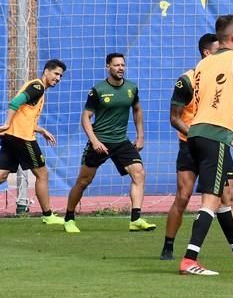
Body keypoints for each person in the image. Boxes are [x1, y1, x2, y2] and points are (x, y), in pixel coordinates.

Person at [160, 33, 233, 260]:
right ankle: (171, 246)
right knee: (185, 196)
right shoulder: (188, 79)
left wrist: (228, 132)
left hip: (215, 139)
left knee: (226, 194)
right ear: (207, 53)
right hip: (191, 144)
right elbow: (174, 118)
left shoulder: (217, 76)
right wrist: (198, 133)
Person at [63, 53, 156, 233]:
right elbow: (86, 117)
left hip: (121, 141)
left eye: (123, 65)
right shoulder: (97, 90)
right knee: (83, 181)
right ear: (108, 67)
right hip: (100, 141)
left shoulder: (131, 88)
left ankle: (135, 219)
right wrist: (94, 140)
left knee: (139, 173)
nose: (120, 68)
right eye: (116, 65)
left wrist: (140, 136)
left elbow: (137, 110)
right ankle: (69, 218)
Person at [0, 60, 67, 225]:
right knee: (42, 174)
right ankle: (48, 214)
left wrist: (41, 130)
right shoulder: (38, 87)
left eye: (60, 76)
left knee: (2, 174)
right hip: (22, 138)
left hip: (12, 136)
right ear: (46, 72)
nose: (58, 78)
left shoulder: (37, 89)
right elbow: (15, 103)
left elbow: (24, 116)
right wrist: (7, 122)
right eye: (56, 73)